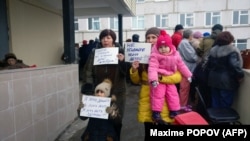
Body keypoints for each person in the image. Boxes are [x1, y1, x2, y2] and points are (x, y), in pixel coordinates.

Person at [130, 27, 182, 141]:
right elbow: (136, 81)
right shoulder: (141, 56)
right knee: (149, 131)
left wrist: (160, 78)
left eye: (154, 37)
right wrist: (134, 70)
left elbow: (178, 77)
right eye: (148, 38)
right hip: (147, 98)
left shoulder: (169, 55)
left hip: (164, 99)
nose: (150, 40)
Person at [81, 29, 126, 141]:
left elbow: (127, 73)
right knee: (99, 121)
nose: (105, 40)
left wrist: (122, 62)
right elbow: (88, 71)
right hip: (99, 92)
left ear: (113, 40)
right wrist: (88, 86)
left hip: (117, 92)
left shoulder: (121, 52)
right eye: (103, 38)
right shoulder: (95, 53)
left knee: (116, 120)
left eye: (108, 38)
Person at [148, 30, 192, 120]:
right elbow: (152, 68)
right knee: (157, 94)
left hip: (170, 77)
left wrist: (188, 75)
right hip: (159, 77)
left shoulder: (175, 55)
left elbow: (181, 65)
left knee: (173, 94)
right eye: (161, 47)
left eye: (165, 47)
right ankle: (156, 112)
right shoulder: (155, 55)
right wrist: (153, 79)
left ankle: (174, 110)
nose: (163, 49)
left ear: (170, 46)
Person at [206, 31, 244, 108]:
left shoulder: (213, 50)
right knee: (225, 103)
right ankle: (224, 119)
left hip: (213, 79)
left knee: (215, 101)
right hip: (226, 81)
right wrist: (240, 75)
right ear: (230, 39)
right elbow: (234, 65)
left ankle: (215, 119)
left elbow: (208, 64)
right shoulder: (231, 50)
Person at [194, 24, 224, 110]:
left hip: (204, 69)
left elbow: (199, 51)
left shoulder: (206, 39)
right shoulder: (224, 40)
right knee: (214, 94)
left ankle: (202, 111)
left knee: (203, 91)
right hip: (217, 72)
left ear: (212, 30)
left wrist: (203, 55)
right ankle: (213, 112)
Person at [178, 29, 199, 107]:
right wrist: (198, 57)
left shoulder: (184, 42)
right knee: (184, 89)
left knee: (185, 88)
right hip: (186, 69)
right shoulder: (185, 43)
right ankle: (182, 106)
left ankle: (184, 104)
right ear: (190, 36)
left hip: (186, 68)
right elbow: (191, 57)